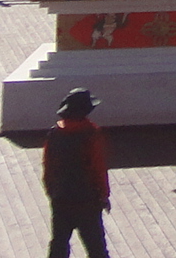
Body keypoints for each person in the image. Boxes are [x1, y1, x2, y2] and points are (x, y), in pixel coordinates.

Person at [42, 87, 111, 258]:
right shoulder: (92, 133)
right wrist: (103, 195)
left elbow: (48, 166)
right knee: (96, 248)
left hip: (61, 199)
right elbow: (98, 168)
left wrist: (52, 192)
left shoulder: (54, 133)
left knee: (58, 245)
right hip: (87, 200)